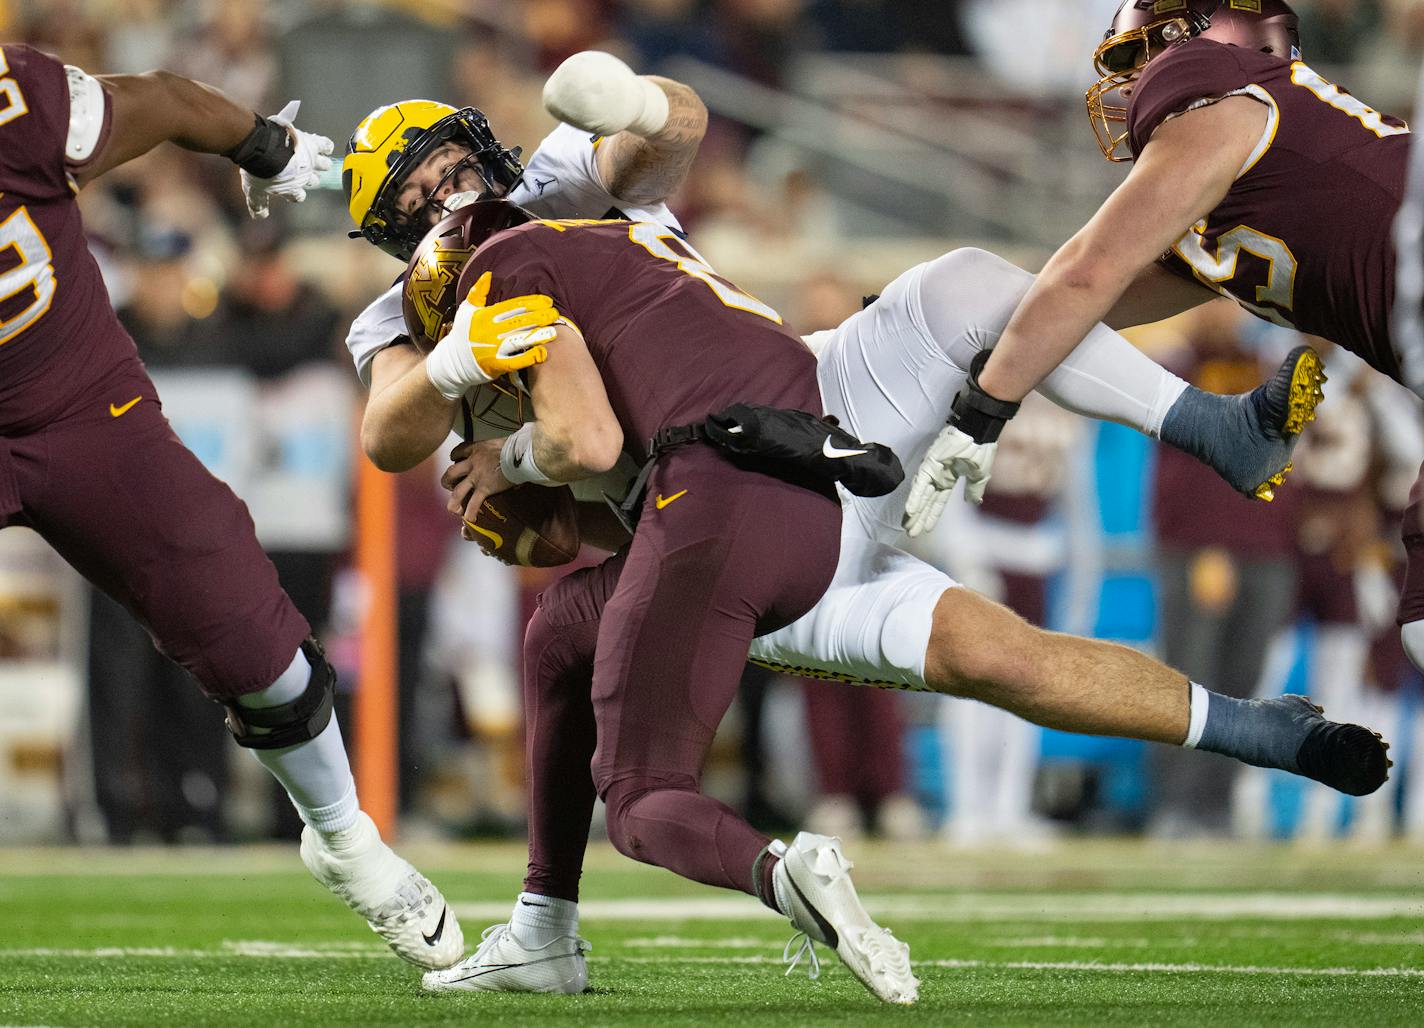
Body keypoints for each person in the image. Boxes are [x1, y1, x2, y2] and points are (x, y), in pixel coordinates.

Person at [341, 47, 1390, 992]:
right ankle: (1258, 724)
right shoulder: (415, 307)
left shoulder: (549, 195)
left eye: (444, 161)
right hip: (711, 499)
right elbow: (392, 430)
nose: (443, 190)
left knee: (964, 285)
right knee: (999, 657)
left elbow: (680, 128)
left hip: (796, 409)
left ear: (480, 144)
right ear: (394, 235)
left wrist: (627, 97)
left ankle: (1211, 429)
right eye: (416, 192)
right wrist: (469, 388)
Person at [366, 198, 922, 1005]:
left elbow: (585, 444)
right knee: (559, 631)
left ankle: (787, 872)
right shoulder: (640, 249)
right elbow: (631, 484)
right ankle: (542, 930)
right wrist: (557, 499)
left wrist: (509, 463)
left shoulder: (501, 266)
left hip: (716, 505)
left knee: (638, 801)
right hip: (803, 519)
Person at [0, 43, 463, 969]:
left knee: (252, 635)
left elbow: (169, 101)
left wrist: (270, 148)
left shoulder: (17, 106)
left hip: (78, 404)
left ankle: (343, 838)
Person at [905, 0, 1424, 683]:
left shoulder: (1228, 106)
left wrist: (983, 411)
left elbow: (1085, 275)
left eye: (1134, 57)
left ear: (1205, 42)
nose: (1123, 88)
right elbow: (1065, 305)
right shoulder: (1248, 186)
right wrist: (921, 329)